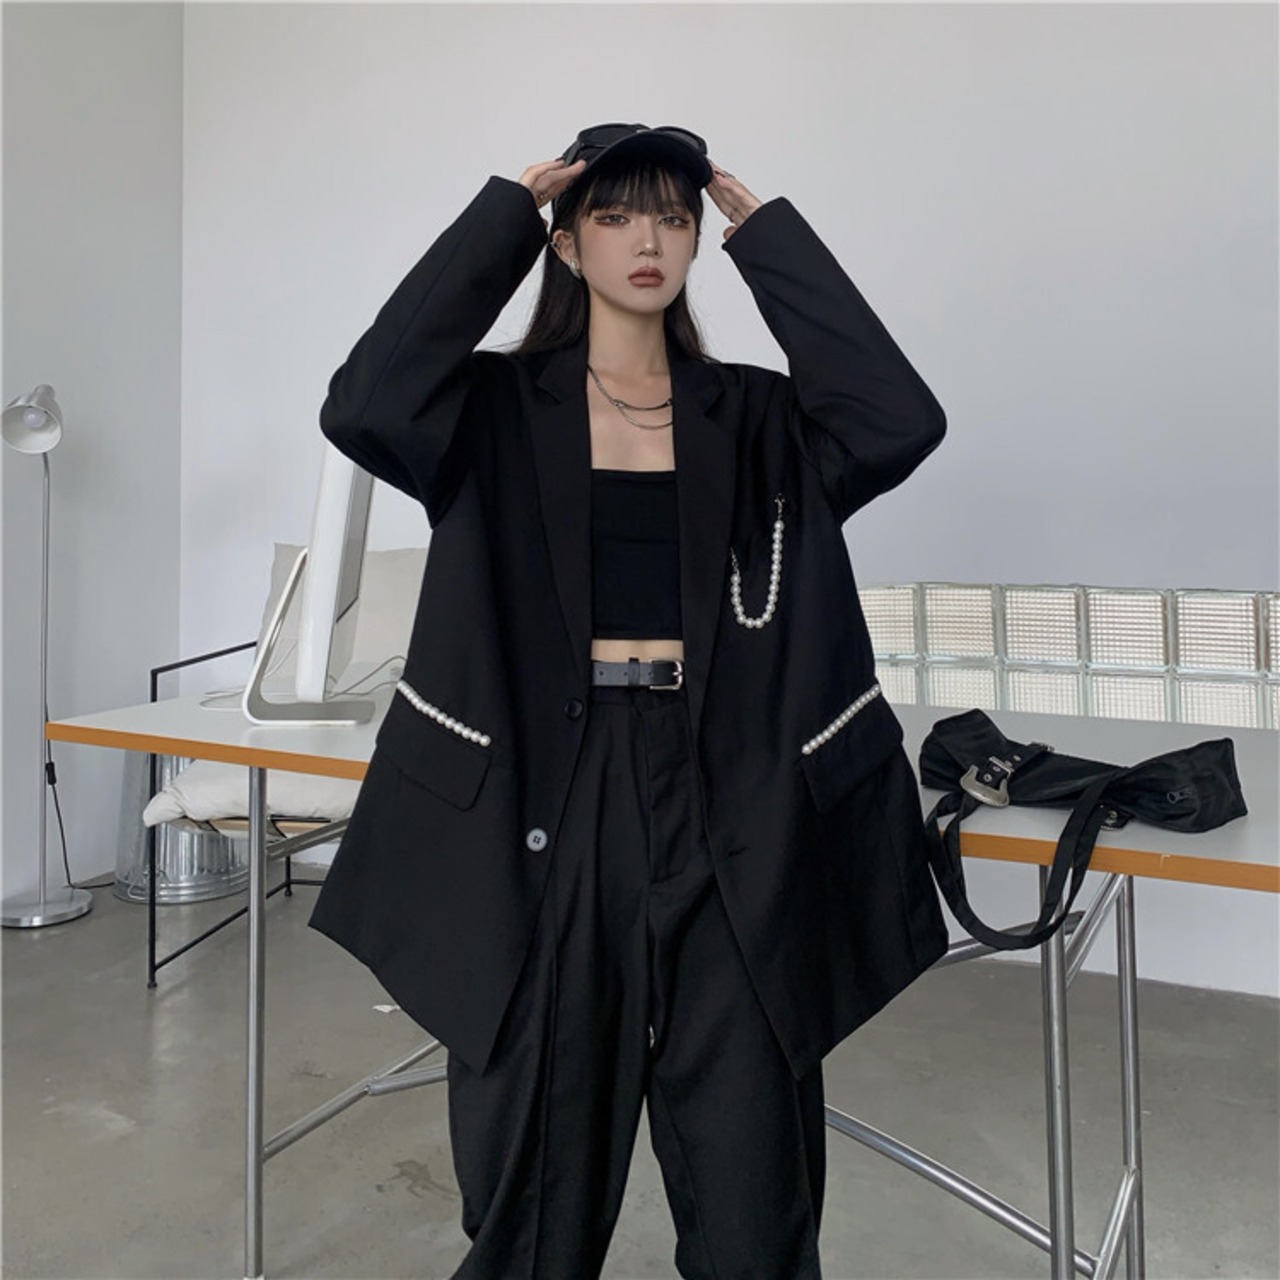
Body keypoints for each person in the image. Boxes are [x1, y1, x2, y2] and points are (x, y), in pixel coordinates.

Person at [308, 123, 951, 1280]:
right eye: (612, 215)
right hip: (547, 799)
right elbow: (366, 400)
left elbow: (897, 418)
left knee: (755, 1193)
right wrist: (499, 219)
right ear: (565, 244)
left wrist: (774, 243)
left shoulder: (757, 418)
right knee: (533, 1202)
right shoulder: (488, 411)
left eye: (671, 216)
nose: (647, 239)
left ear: (698, 239)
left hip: (731, 794)